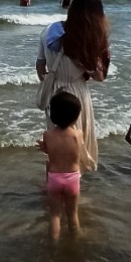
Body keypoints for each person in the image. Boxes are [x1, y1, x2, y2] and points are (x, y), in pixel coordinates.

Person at [36, 0, 109, 172]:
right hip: (77, 96)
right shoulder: (87, 39)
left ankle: (51, 188)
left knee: (56, 148)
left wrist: (53, 79)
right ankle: (72, 191)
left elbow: (40, 68)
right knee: (76, 148)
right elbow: (99, 77)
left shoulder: (48, 32)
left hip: (55, 95)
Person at [36, 91, 84, 240]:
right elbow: (77, 152)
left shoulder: (48, 135)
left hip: (55, 178)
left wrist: (45, 148)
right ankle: (77, 239)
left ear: (53, 115)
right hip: (72, 178)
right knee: (73, 214)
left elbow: (51, 153)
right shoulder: (78, 134)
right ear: (75, 117)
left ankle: (53, 246)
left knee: (55, 216)